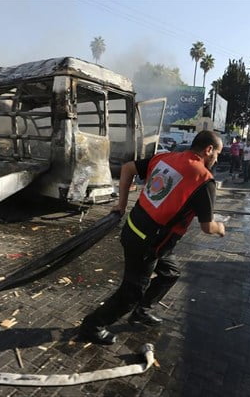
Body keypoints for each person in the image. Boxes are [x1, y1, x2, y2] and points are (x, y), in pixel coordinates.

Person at [79, 131, 226, 345]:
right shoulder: (203, 180)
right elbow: (207, 227)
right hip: (148, 244)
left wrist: (121, 205)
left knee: (170, 273)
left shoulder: (167, 158)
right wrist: (220, 227)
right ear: (209, 150)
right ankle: (92, 327)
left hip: (134, 230)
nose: (217, 159)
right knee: (131, 293)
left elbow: (128, 168)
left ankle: (142, 311)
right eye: (218, 154)